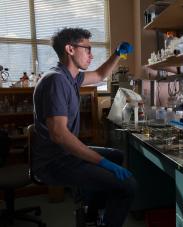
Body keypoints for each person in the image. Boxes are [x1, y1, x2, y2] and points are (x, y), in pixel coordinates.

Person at [32, 27, 136, 227]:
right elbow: (60, 135)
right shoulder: (56, 81)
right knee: (128, 186)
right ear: (70, 49)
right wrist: (100, 163)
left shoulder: (69, 77)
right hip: (54, 161)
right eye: (87, 49)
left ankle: (90, 215)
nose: (91, 54)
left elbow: (98, 75)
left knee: (116, 156)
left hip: (64, 154)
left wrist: (117, 54)